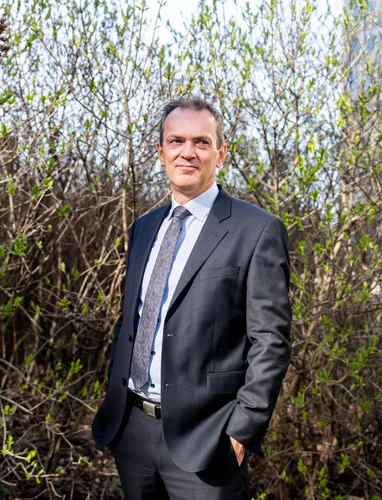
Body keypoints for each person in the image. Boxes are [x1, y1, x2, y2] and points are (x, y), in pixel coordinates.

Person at [92, 96, 292, 499]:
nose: (188, 152)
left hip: (208, 442)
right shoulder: (144, 227)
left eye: (201, 142)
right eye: (176, 141)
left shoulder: (257, 230)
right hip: (131, 432)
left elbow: (270, 342)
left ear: (221, 154)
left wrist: (242, 432)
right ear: (161, 152)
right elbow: (130, 321)